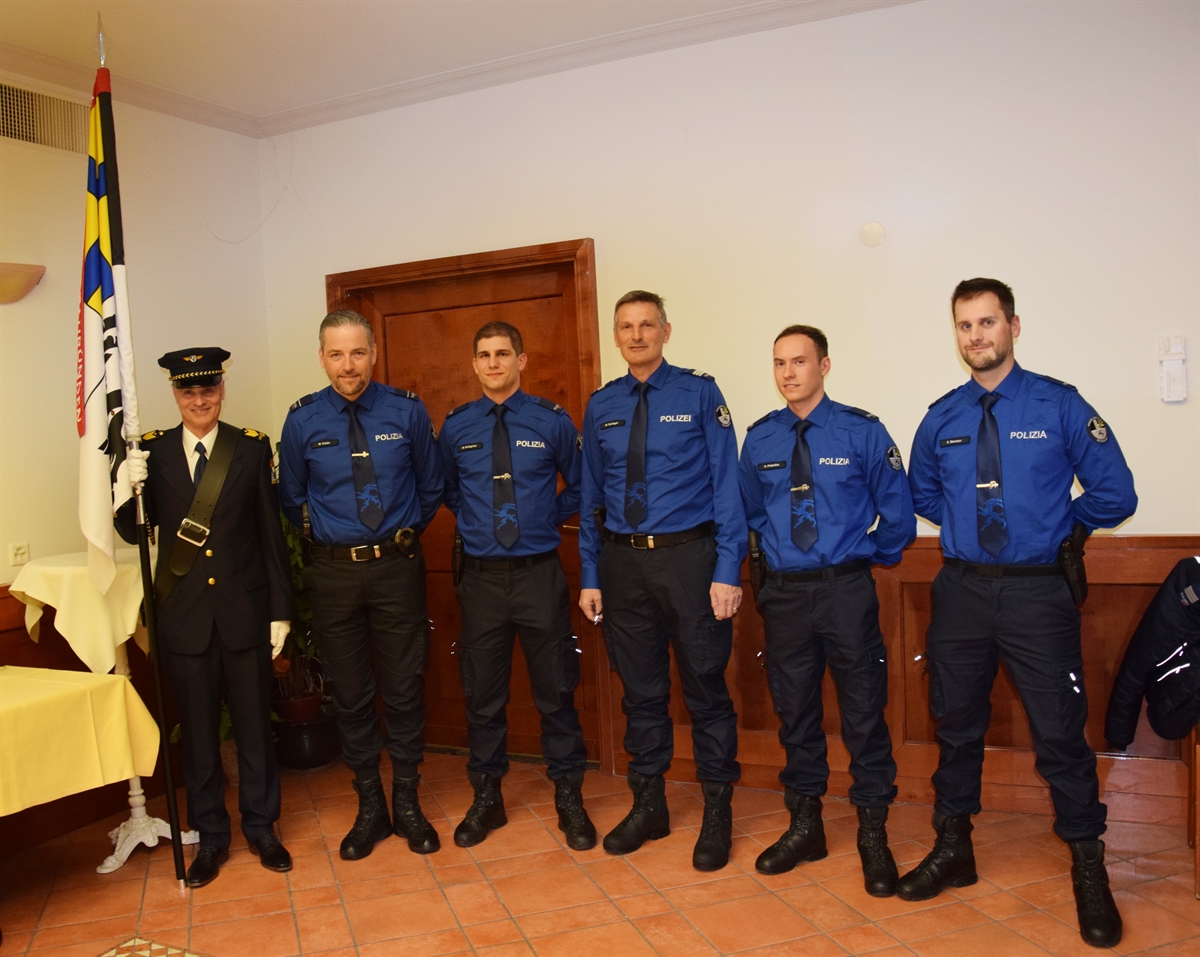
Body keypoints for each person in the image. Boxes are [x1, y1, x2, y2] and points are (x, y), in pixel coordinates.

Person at [904, 278, 1137, 948]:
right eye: (965, 325)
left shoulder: (1058, 404)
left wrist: (1062, 525)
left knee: (1060, 734)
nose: (976, 336)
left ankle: (1088, 865)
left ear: (1013, 325)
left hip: (1038, 594)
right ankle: (954, 846)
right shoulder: (942, 416)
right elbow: (924, 491)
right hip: (962, 593)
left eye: (987, 322)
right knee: (955, 726)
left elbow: (1116, 493)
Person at [738, 325, 915, 895]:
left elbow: (899, 516)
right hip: (785, 596)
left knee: (863, 712)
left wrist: (860, 555)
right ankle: (805, 826)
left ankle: (873, 834)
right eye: (779, 363)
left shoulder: (862, 431)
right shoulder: (760, 439)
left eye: (799, 361)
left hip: (845, 592)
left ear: (825, 365)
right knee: (795, 713)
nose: (788, 373)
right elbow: (752, 513)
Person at [579, 290, 747, 871]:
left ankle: (717, 811)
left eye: (646, 325)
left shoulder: (699, 393)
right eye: (626, 327)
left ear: (666, 331)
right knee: (641, 692)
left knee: (706, 688)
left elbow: (727, 485)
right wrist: (590, 574)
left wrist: (728, 569)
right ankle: (649, 805)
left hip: (690, 561)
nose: (636, 335)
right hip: (623, 566)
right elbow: (591, 497)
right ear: (616, 336)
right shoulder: (601, 404)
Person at [117, 347, 293, 888]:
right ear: (175, 394)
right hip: (186, 618)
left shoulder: (250, 448)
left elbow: (270, 536)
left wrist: (280, 612)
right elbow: (132, 533)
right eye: (189, 391)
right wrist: (126, 488)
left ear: (221, 390)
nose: (199, 400)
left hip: (245, 615)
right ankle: (211, 837)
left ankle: (262, 829)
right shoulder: (153, 453)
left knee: (254, 731)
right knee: (196, 737)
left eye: (208, 389)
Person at [279, 310, 443, 860]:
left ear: (373, 353)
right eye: (336, 354)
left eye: (356, 353)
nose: (347, 365)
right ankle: (370, 805)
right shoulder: (302, 420)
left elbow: (431, 487)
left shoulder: (407, 410)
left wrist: (398, 536)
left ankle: (408, 801)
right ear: (321, 358)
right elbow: (292, 498)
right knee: (349, 693)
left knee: (404, 687)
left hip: (396, 567)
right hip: (333, 574)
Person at [438, 321, 596, 850]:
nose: (493, 363)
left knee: (555, 691)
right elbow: (448, 489)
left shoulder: (551, 421)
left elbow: (583, 484)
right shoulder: (456, 426)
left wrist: (543, 514)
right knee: (482, 697)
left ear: (521, 360)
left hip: (537, 575)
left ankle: (569, 797)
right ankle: (487, 797)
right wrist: (479, 520)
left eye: (503, 353)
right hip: (481, 579)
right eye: (484, 355)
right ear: (474, 363)